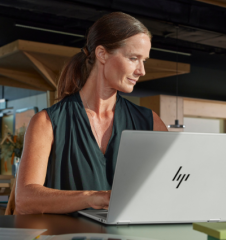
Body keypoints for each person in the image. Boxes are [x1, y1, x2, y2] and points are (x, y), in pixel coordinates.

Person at [13, 12, 168, 215]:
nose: (142, 70)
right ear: (102, 54)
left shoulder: (151, 122)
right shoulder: (47, 122)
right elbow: (25, 199)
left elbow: (172, 185)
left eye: (144, 60)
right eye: (133, 58)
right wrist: (96, 197)